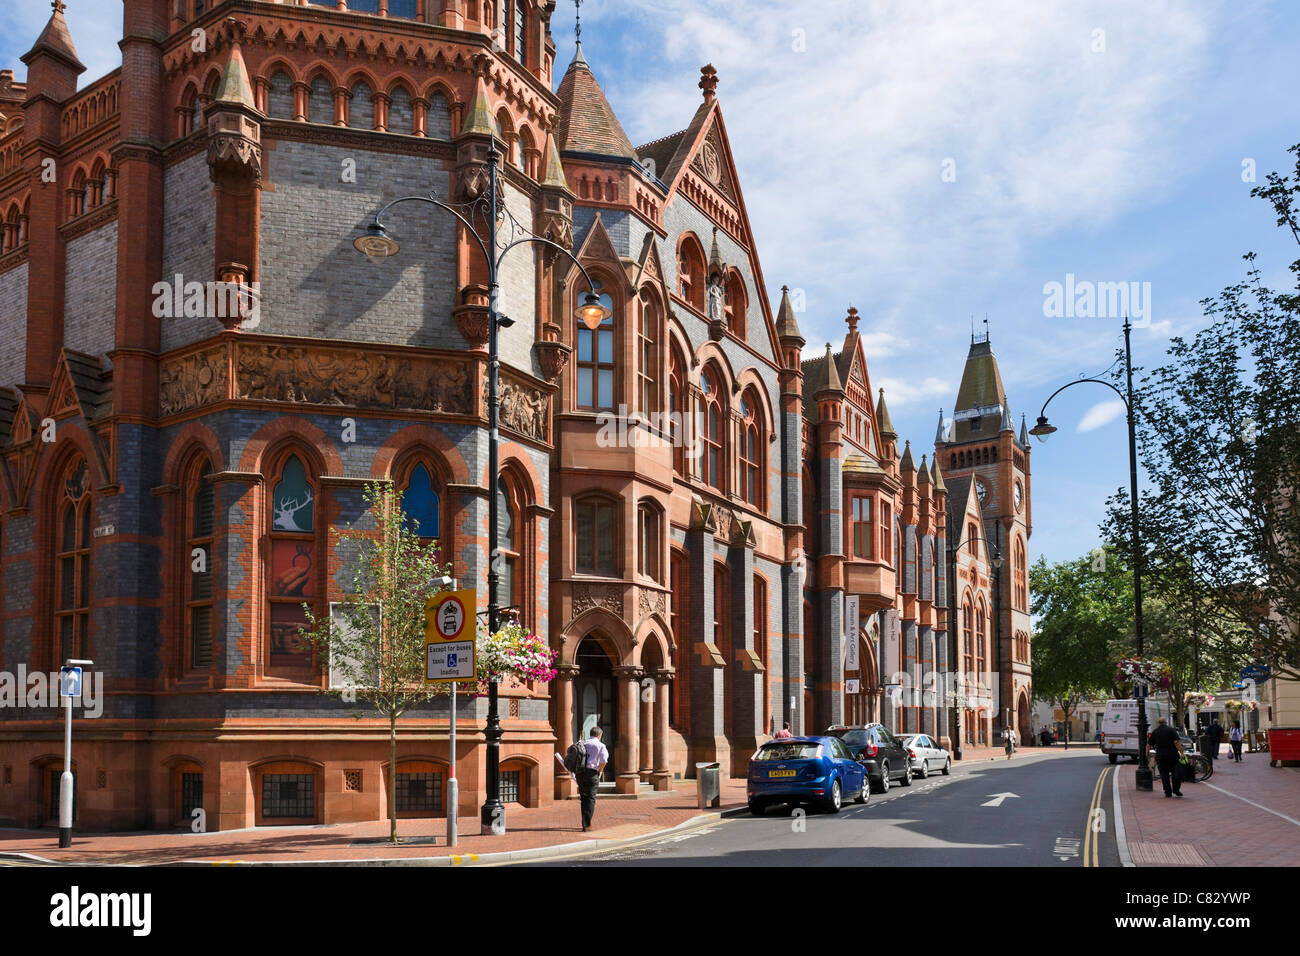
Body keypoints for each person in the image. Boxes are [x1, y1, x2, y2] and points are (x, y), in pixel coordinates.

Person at [578, 727, 608, 832]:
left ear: (590, 734)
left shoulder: (582, 743)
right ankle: (587, 825)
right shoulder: (600, 745)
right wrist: (600, 771)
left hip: (580, 774)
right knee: (591, 799)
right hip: (592, 774)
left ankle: (585, 823)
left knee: (583, 798)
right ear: (599, 735)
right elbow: (604, 761)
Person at [1149, 717, 1184, 798]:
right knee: (1176, 773)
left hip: (1161, 756)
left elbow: (1149, 744)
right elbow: (1177, 742)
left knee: (1164, 775)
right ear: (1166, 722)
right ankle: (1176, 790)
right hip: (1173, 755)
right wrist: (1182, 753)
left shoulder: (1155, 731)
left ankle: (1167, 792)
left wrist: (1147, 754)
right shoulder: (1171, 730)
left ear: (1158, 723)